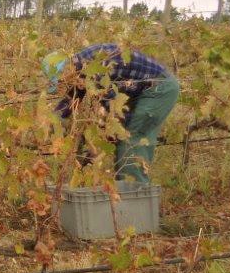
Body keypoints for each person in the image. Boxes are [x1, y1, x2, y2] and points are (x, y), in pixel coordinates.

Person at [42, 44, 179, 182]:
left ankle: (134, 190)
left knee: (130, 140)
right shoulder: (81, 68)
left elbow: (110, 111)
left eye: (61, 80)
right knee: (121, 137)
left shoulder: (96, 66)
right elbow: (71, 99)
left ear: (66, 68)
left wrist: (95, 147)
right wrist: (49, 125)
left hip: (160, 89)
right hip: (141, 91)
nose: (63, 84)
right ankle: (126, 188)